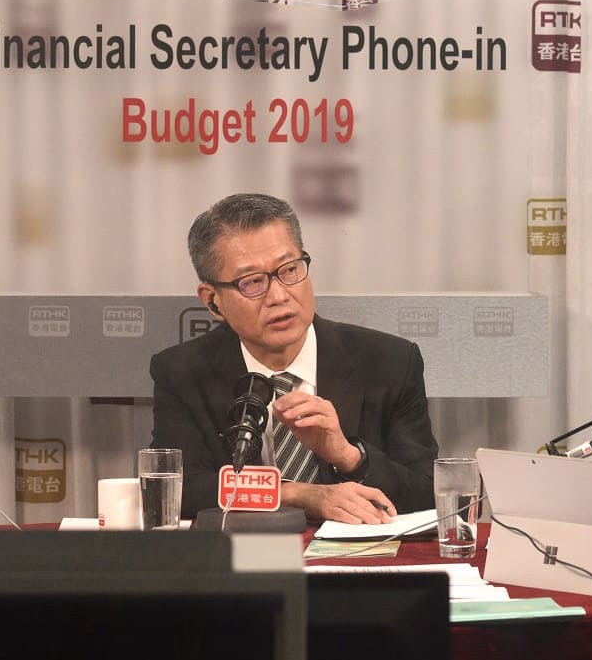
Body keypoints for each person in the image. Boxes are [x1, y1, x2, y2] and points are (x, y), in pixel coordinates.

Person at [149, 193, 438, 523]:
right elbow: (176, 490)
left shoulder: (390, 362)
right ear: (213, 301)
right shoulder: (182, 372)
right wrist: (297, 495)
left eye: (289, 270)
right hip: (243, 554)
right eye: (252, 282)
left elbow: (427, 492)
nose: (279, 295)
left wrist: (349, 456)